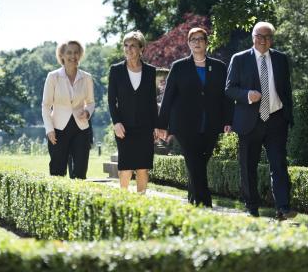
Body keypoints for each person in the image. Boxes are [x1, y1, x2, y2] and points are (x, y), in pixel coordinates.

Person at [225, 21, 295, 220]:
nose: (263, 40)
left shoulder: (281, 59)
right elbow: (229, 89)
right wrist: (247, 94)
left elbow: (286, 90)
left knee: (279, 165)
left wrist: (288, 116)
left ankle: (283, 208)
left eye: (267, 37)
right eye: (259, 36)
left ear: (272, 39)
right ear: (252, 37)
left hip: (276, 120)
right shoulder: (239, 59)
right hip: (249, 121)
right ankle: (251, 208)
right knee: (248, 167)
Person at [157, 27, 232, 207]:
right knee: (194, 161)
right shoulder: (179, 67)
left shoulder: (220, 67)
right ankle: (204, 202)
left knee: (199, 163)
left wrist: (228, 120)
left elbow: (226, 97)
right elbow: (168, 97)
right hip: (184, 124)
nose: (197, 42)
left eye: (200, 39)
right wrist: (161, 125)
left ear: (206, 43)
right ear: (188, 43)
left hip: (211, 124)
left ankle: (193, 197)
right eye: (193, 39)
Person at [108, 30, 158, 193]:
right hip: (124, 127)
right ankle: (123, 202)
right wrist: (116, 123)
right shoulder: (116, 70)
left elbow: (152, 101)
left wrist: (156, 125)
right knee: (126, 167)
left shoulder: (150, 71)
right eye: (126, 46)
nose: (128, 49)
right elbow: (111, 100)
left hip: (145, 126)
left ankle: (140, 203)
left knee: (143, 167)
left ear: (141, 49)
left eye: (133, 46)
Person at [41, 40, 94, 179]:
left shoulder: (87, 77)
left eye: (76, 52)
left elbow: (91, 102)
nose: (73, 55)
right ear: (62, 55)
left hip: (81, 129)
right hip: (58, 130)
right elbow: (46, 105)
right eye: (69, 52)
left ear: (80, 55)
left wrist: (87, 111)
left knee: (80, 172)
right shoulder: (53, 77)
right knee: (57, 172)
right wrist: (49, 129)